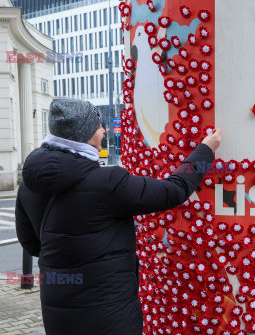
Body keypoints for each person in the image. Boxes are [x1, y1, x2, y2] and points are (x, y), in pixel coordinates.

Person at [15, 97, 221, 335]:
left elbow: (31, 243)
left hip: (58, 307)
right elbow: (172, 191)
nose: (103, 131)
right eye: (98, 126)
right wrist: (205, 151)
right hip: (108, 310)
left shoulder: (29, 185)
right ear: (86, 134)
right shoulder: (108, 182)